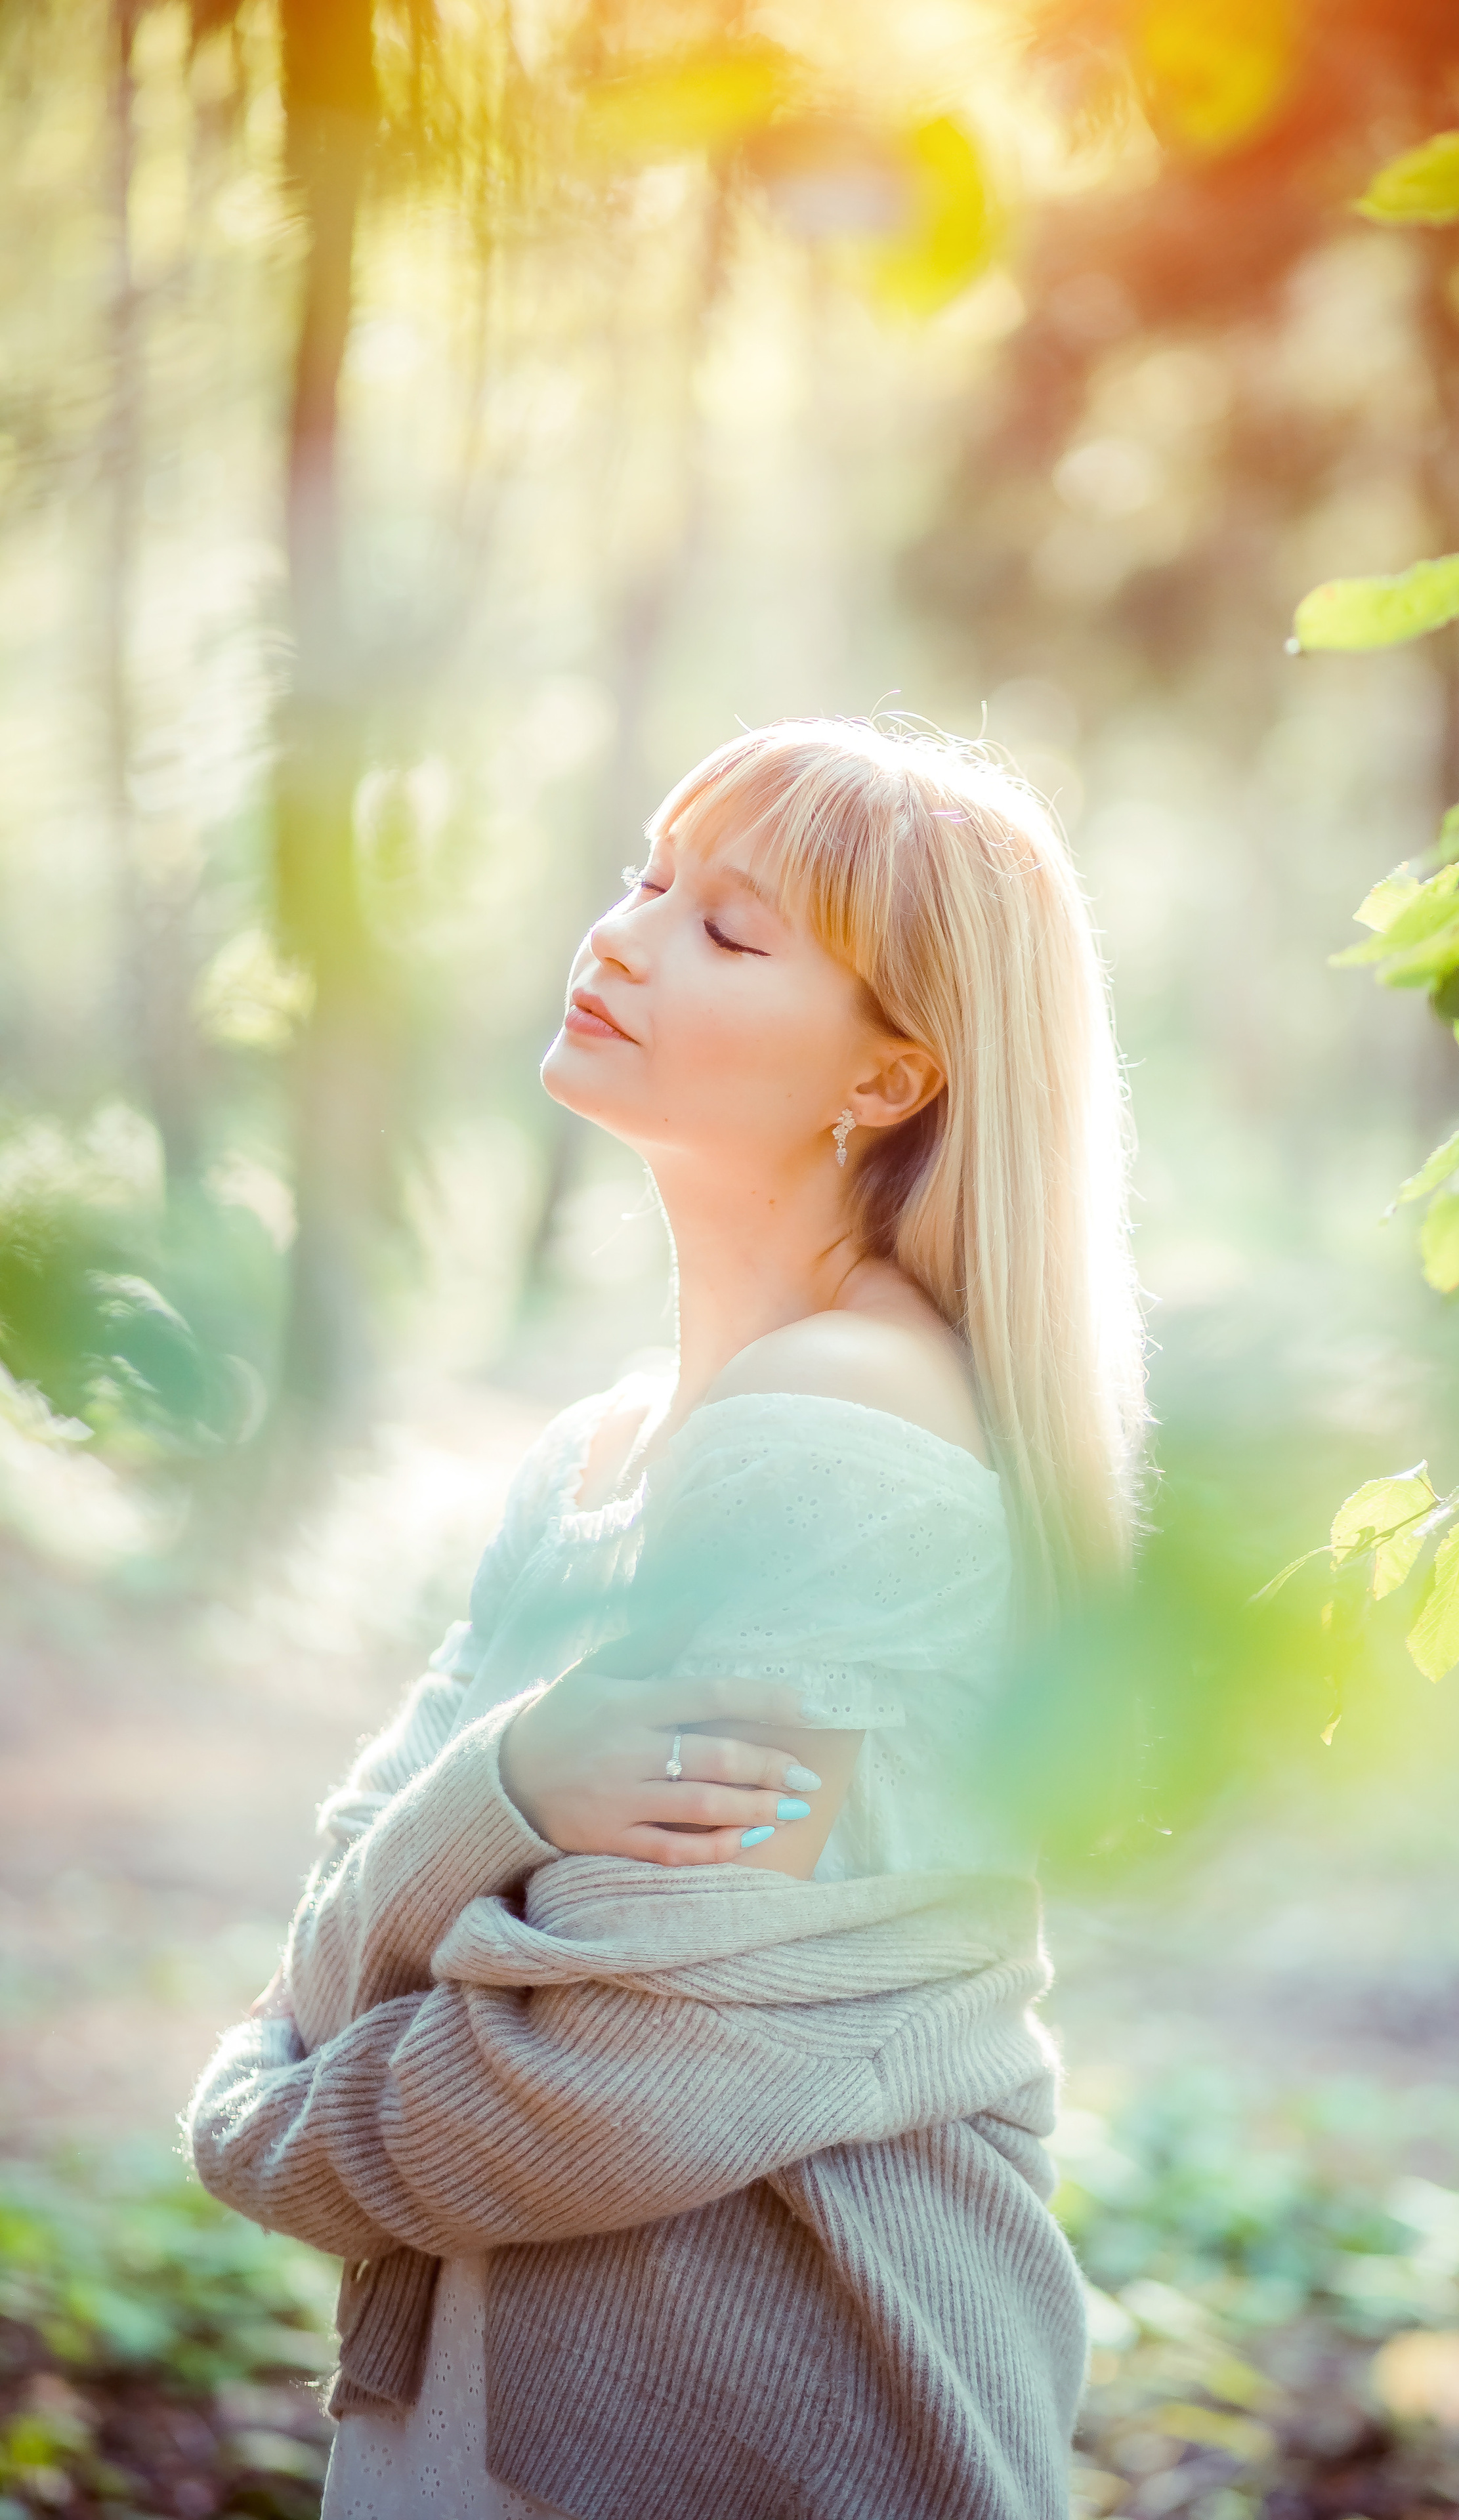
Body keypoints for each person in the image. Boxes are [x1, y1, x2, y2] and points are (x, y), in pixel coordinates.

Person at [187, 715, 1145, 2520]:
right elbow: (343, 1917)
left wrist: (278, 2120)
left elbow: (612, 2085)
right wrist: (513, 1787)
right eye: (646, 878)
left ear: (890, 1077)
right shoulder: (598, 1458)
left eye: (727, 928)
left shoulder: (841, 1448)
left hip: (778, 2440)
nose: (621, 936)